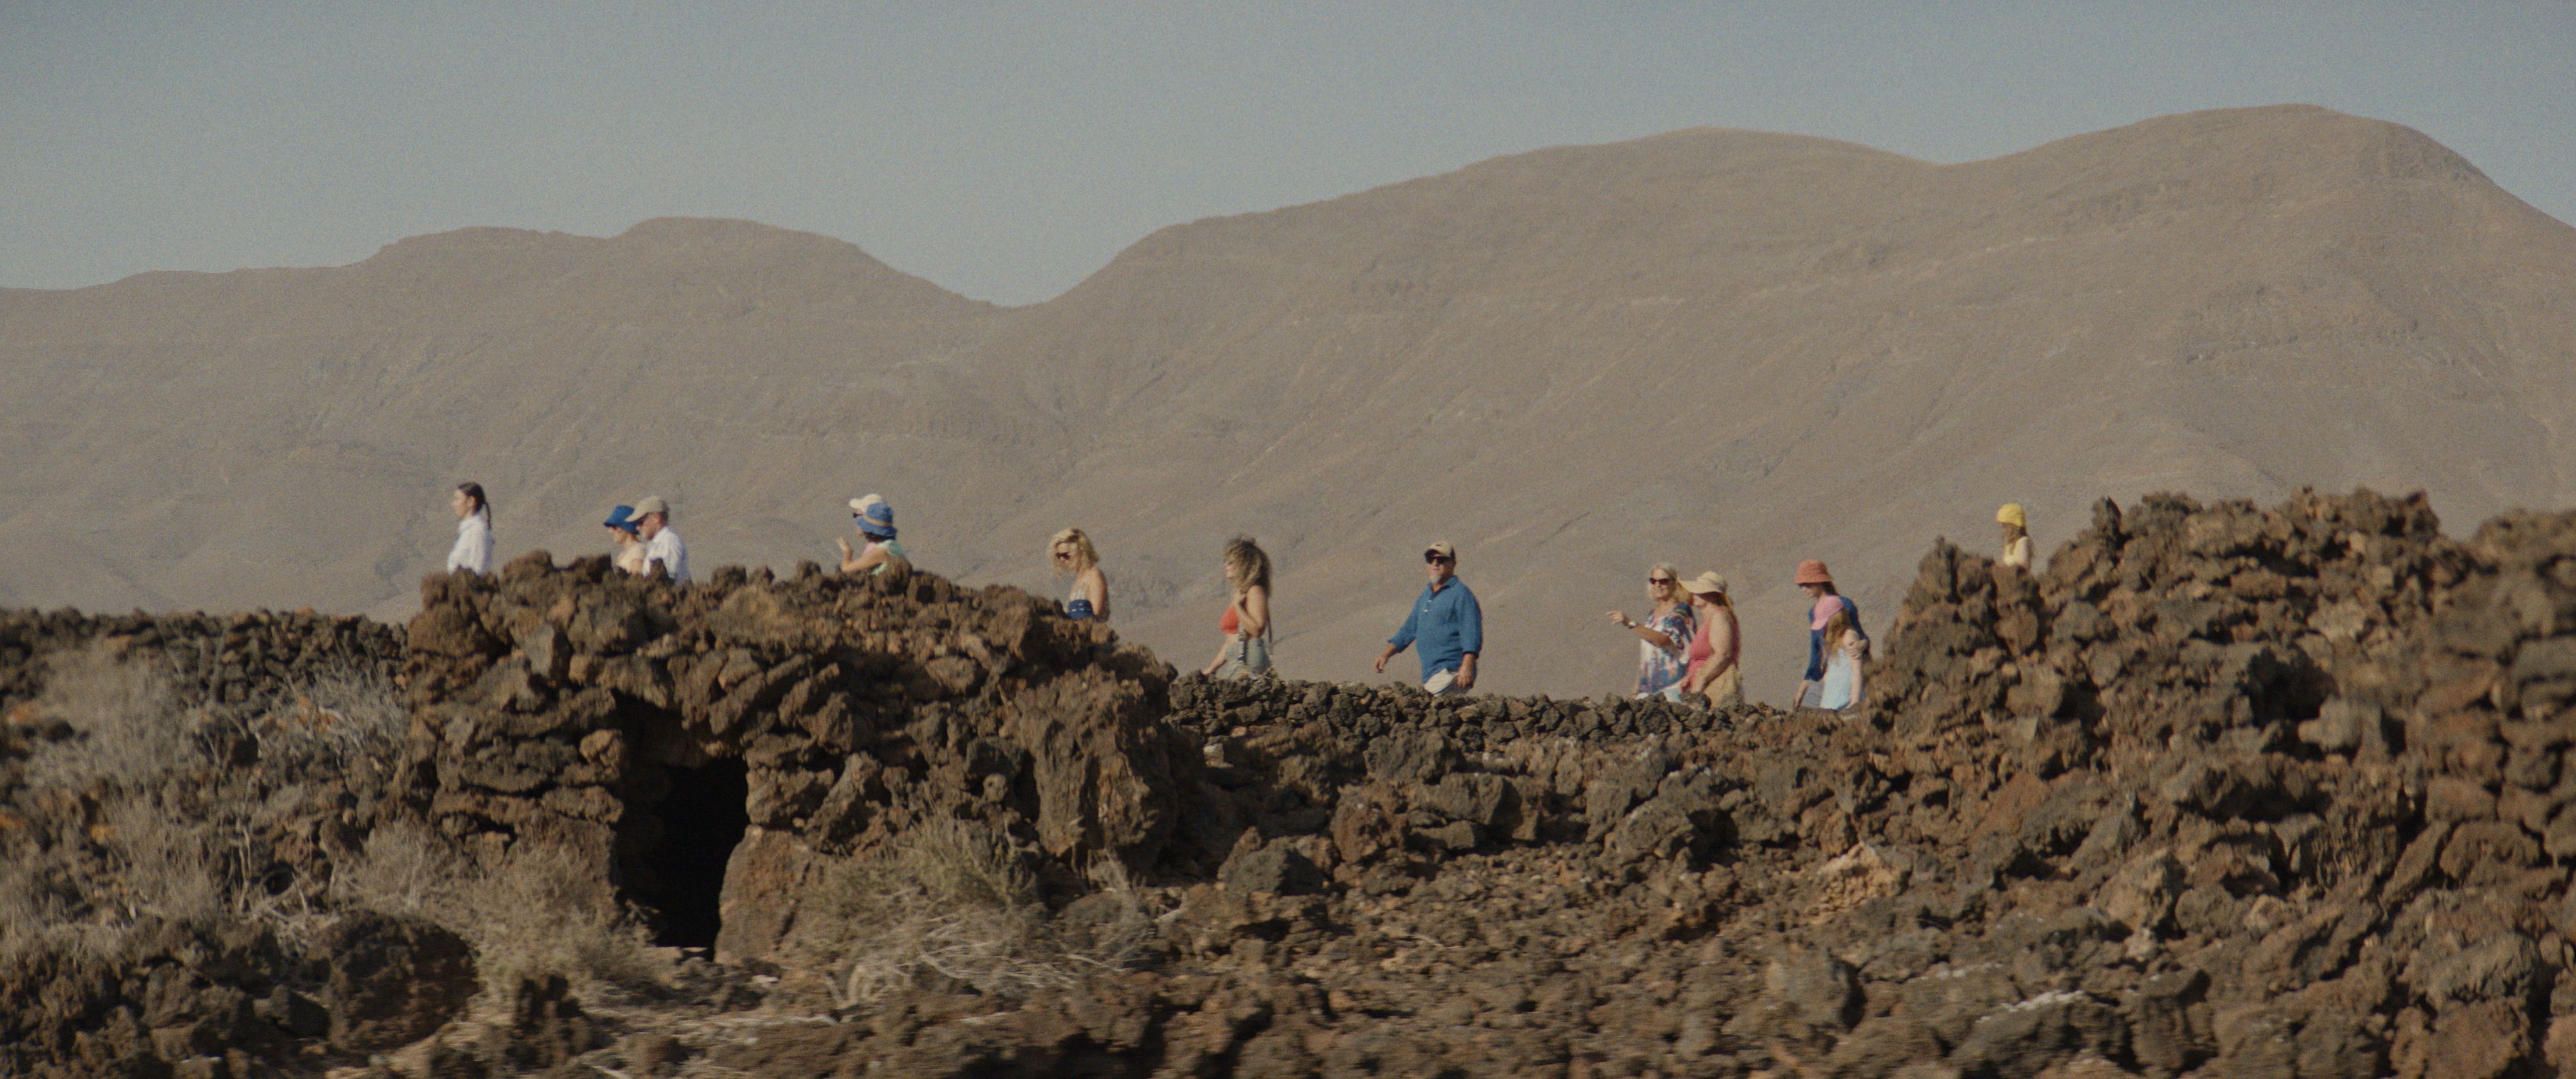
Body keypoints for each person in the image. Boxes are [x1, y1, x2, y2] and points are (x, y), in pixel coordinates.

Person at [1376, 541, 1482, 695]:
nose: (1435, 564)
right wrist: (1385, 654)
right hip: (1432, 673)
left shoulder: (1461, 595)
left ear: (1453, 564)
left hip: (1451, 670)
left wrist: (1467, 666)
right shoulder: (1426, 596)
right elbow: (1409, 629)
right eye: (1430, 560)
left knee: (1421, 708)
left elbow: (1471, 631)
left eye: (1441, 560)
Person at [1609, 563, 1695, 699]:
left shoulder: (1681, 611)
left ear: (1674, 583)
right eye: (1654, 581)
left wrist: (1630, 623)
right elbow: (1647, 657)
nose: (1658, 585)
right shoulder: (1652, 615)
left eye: (1664, 581)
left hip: (1672, 688)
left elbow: (1662, 640)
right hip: (1647, 689)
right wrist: (1634, 692)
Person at [1789, 560, 1862, 709]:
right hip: (1828, 672)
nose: (1804, 589)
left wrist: (1861, 646)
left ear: (1819, 582)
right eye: (1801, 585)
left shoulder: (1844, 604)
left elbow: (1859, 636)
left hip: (1848, 668)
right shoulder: (1813, 612)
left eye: (1807, 584)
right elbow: (1816, 650)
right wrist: (1804, 685)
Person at [1202, 536, 1272, 678]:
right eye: (1225, 562)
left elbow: (1257, 629)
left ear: (1244, 565)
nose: (1226, 566)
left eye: (1231, 562)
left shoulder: (1255, 591)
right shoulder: (1241, 593)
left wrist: (1238, 607)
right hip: (1237, 658)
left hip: (1249, 660)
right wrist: (1213, 668)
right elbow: (1231, 639)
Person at [1678, 572, 1743, 707]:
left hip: (1714, 688)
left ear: (1712, 595)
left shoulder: (1720, 617)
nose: (1694, 594)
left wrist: (1701, 680)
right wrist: (1690, 677)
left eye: (1699, 592)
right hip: (1704, 688)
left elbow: (1723, 654)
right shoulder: (1708, 620)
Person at [836, 494, 908, 576]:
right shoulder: (892, 546)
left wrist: (848, 552)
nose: (856, 520)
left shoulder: (882, 551)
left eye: (858, 516)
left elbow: (846, 569)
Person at [1814, 608, 1869, 713]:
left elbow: (1857, 672)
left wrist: (1855, 703)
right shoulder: (1832, 639)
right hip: (1832, 697)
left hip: (1846, 696)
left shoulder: (1849, 636)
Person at [1050, 528, 1110, 621]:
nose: (1062, 559)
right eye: (1059, 556)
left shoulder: (1094, 575)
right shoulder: (1079, 579)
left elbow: (1096, 615)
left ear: (1080, 551)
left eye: (1066, 555)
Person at [631, 495, 689, 583]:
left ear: (656, 518)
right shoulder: (659, 544)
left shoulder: (669, 542)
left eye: (640, 522)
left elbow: (668, 580)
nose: (638, 528)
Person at [446, 482, 493, 575]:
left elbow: (478, 568)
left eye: (457, 499)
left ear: (470, 501)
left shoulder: (476, 531)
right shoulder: (468, 531)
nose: (453, 504)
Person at [604, 504, 648, 575]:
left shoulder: (637, 552)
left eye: (614, 527)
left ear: (626, 528)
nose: (610, 531)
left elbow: (637, 582)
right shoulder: (624, 554)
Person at [1997, 503, 2034, 570]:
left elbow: (2023, 568)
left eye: (2006, 526)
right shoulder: (2010, 544)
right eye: (2003, 526)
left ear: (2015, 526)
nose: (2004, 530)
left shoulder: (2023, 542)